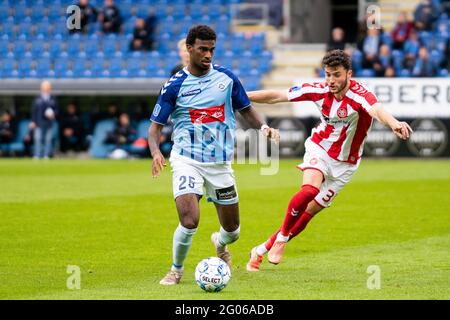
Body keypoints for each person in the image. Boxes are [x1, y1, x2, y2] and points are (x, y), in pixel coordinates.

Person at [245, 49, 412, 271]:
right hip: (320, 149)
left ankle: (260, 250)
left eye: (336, 75)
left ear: (349, 74)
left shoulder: (360, 95)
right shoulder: (318, 90)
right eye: (327, 74)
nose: (331, 80)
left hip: (346, 164)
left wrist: (394, 123)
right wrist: (242, 95)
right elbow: (277, 95)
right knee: (309, 191)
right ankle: (282, 239)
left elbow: (377, 109)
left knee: (308, 213)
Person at [148, 25, 279, 285]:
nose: (208, 55)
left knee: (233, 231)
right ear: (189, 49)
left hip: (220, 164)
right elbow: (154, 128)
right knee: (189, 220)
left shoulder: (227, 79)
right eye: (202, 49)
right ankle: (176, 270)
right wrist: (155, 152)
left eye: (211, 50)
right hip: (187, 160)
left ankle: (220, 243)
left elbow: (247, 109)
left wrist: (263, 127)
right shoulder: (174, 86)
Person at [30, 81, 59, 159]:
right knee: (38, 138)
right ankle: (37, 155)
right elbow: (34, 111)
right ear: (41, 88)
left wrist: (53, 114)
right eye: (44, 87)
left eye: (47, 87)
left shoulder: (53, 98)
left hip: (49, 123)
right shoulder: (37, 98)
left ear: (50, 88)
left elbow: (56, 110)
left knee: (48, 139)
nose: (46, 88)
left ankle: (46, 155)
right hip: (38, 122)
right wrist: (33, 121)